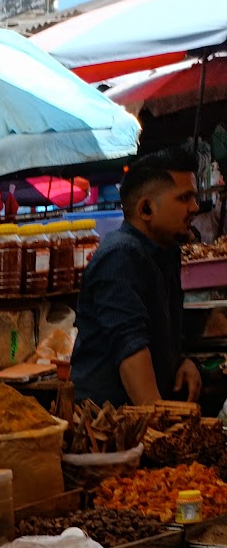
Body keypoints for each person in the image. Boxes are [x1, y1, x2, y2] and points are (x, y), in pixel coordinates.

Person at [72, 147, 203, 407]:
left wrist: (184, 361)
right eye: (184, 198)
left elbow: (159, 336)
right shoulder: (120, 256)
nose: (195, 207)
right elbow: (131, 352)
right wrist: (161, 429)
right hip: (109, 428)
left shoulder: (166, 253)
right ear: (146, 208)